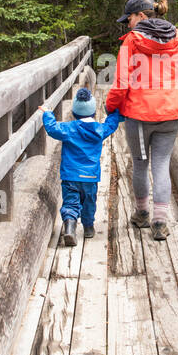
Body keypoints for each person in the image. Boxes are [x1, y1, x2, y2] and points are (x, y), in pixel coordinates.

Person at [105, 0, 178, 241]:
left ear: (142, 16)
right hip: (170, 112)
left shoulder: (132, 41)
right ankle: (160, 223)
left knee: (141, 164)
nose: (128, 24)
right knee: (161, 165)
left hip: (140, 114)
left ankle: (143, 214)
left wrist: (110, 105)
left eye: (130, 19)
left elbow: (122, 82)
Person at [39, 88, 122, 246]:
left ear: (75, 113)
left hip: (70, 176)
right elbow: (111, 125)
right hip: (90, 177)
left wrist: (47, 113)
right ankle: (89, 227)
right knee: (89, 202)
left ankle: (70, 228)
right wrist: (116, 112)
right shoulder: (99, 129)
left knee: (71, 202)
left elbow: (52, 129)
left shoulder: (69, 128)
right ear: (93, 112)